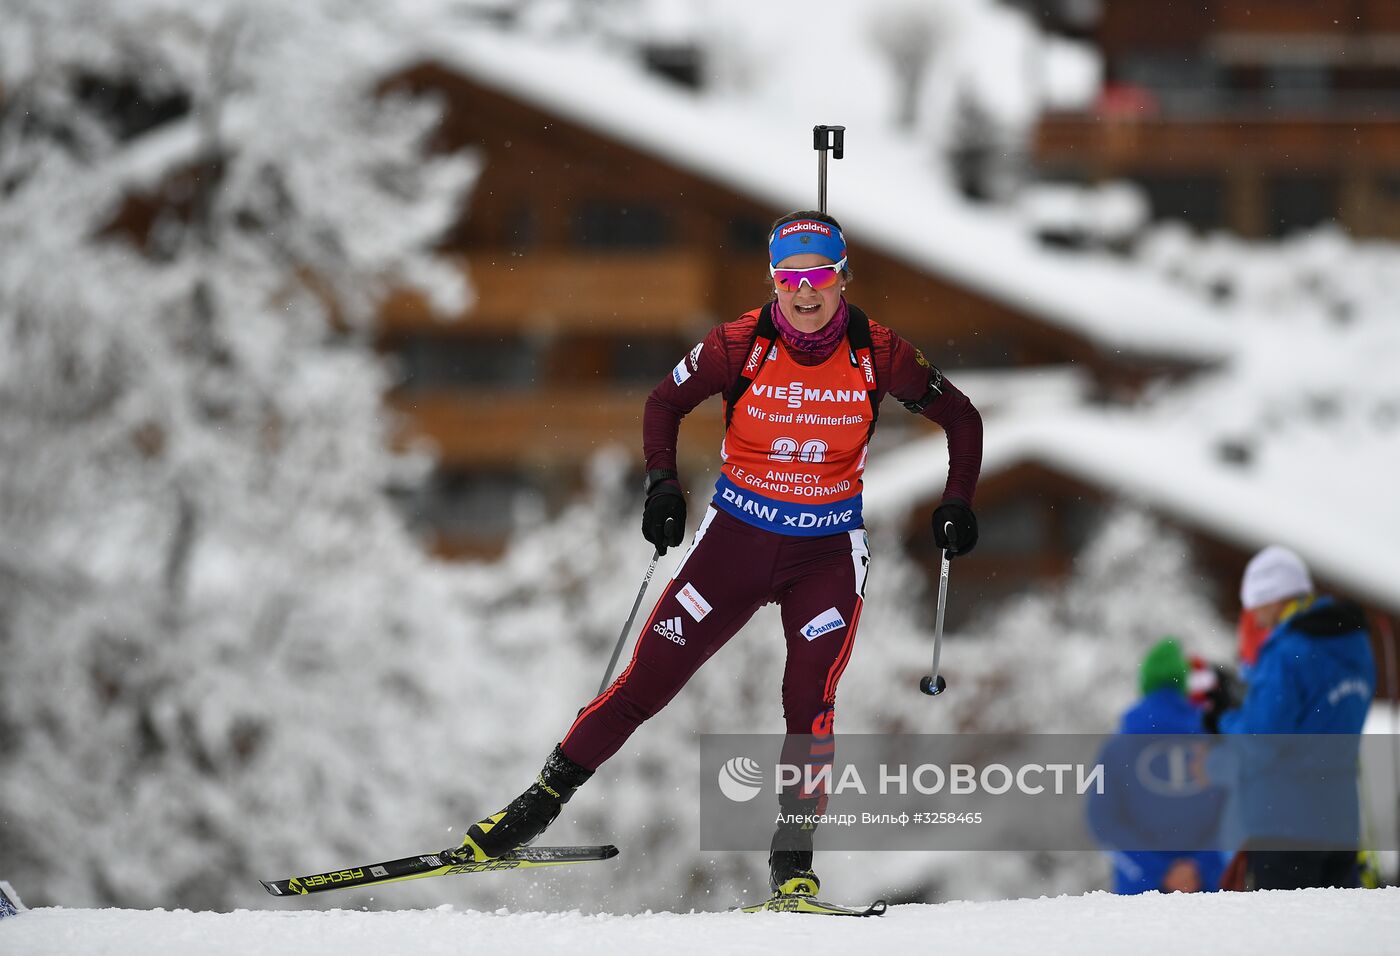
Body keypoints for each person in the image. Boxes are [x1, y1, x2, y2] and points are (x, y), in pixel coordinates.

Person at [447, 211, 984, 899]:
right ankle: (531, 810)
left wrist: (957, 503)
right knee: (646, 683)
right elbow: (663, 405)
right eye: (790, 280)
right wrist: (663, 486)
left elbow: (961, 418)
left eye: (819, 277)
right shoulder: (740, 344)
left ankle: (793, 862)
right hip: (733, 543)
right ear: (773, 282)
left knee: (808, 700)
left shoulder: (879, 351)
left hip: (824, 556)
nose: (805, 293)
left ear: (842, 278)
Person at [1204, 545, 1376, 891]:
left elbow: (1259, 742)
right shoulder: (1355, 645)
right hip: (1341, 825)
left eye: (1256, 606)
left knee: (1283, 939)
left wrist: (1223, 719)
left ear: (1273, 598)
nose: (1256, 618)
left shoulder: (1287, 652)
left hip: (1286, 826)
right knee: (1336, 940)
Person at [1087, 638, 1227, 895]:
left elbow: (1102, 819)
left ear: (1144, 683)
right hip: (1206, 895)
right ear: (1184, 684)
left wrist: (1154, 870)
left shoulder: (1116, 748)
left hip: (1139, 897)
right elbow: (1232, 814)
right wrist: (1199, 867)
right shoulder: (1212, 745)